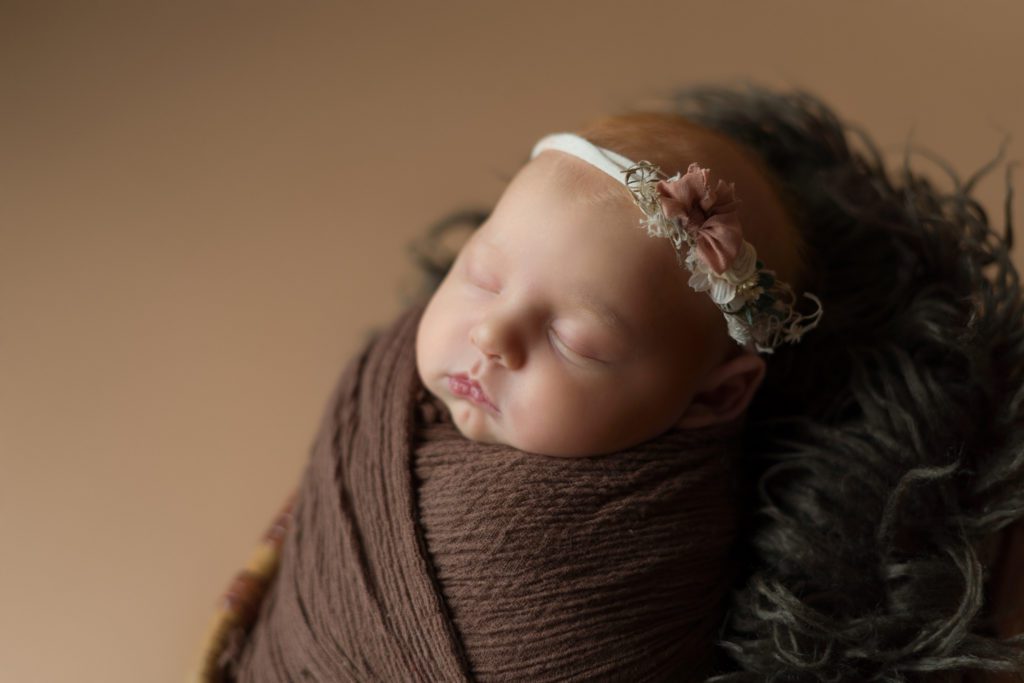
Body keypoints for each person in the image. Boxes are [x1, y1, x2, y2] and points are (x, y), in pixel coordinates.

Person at [192, 83, 1024, 682]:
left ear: (713, 397)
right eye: (479, 274)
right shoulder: (386, 398)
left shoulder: (650, 538)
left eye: (574, 338)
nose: (492, 333)